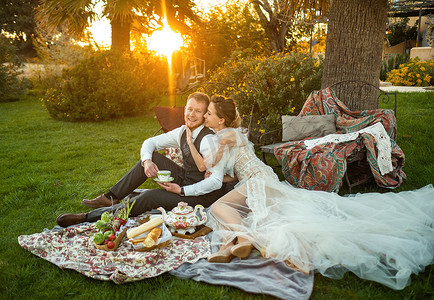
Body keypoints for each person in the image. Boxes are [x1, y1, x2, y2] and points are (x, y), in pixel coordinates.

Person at [188, 95, 433, 290]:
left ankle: (242, 239)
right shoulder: (230, 135)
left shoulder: (226, 134)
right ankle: (241, 242)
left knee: (219, 208)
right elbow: (233, 171)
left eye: (208, 113)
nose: (205, 116)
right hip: (258, 178)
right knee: (273, 218)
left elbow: (204, 164)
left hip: (258, 179)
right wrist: (220, 175)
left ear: (221, 120)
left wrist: (188, 139)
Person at [56, 92, 230, 227]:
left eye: (198, 111)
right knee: (151, 156)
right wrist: (147, 162)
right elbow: (151, 142)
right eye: (189, 109)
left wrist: (181, 191)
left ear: (204, 115)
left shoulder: (208, 140)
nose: (192, 114)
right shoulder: (183, 131)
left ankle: (89, 217)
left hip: (201, 196)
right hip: (186, 179)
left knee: (149, 197)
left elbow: (215, 183)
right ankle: (112, 197)